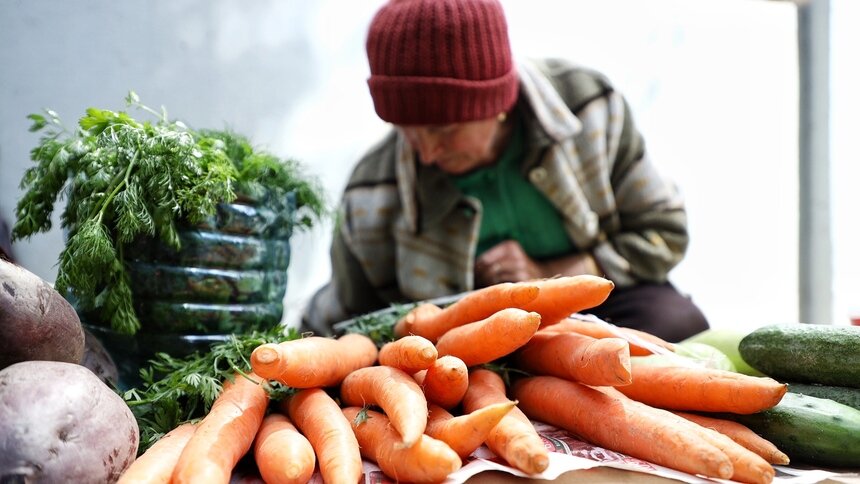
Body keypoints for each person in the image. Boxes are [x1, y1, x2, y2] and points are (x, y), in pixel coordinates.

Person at [302, 0, 708, 342]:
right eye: (407, 132)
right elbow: (344, 320)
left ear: (495, 104)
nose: (426, 153)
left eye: (443, 130)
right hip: (463, 352)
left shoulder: (589, 110)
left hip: (596, 317)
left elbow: (663, 231)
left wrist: (547, 275)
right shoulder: (371, 194)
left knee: (676, 325)